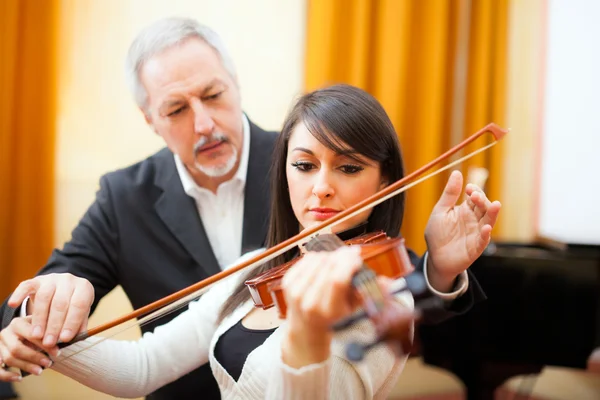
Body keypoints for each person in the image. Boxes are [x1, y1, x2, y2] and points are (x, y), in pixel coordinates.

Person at [0, 17, 489, 398]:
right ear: (150, 120)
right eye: (304, 166)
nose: (319, 187)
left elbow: (402, 305)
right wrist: (44, 337)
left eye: (347, 168)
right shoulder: (249, 268)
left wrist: (439, 270)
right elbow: (143, 366)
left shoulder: (373, 296)